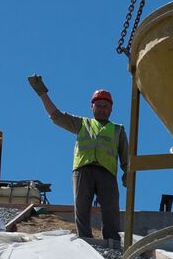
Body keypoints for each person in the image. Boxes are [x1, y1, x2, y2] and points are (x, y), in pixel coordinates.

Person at [27, 75, 128, 243]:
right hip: (83, 170)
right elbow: (56, 116)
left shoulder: (118, 130)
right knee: (81, 206)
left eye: (106, 106)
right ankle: (85, 240)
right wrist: (42, 93)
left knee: (111, 209)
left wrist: (127, 173)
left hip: (107, 173)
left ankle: (113, 241)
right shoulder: (82, 124)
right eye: (98, 105)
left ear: (111, 109)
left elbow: (126, 156)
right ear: (91, 107)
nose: (102, 109)